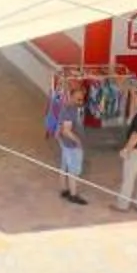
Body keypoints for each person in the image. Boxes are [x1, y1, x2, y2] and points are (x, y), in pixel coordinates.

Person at [45, 77, 89, 205]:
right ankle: (73, 194)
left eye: (82, 98)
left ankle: (64, 189)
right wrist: (78, 141)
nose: (81, 101)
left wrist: (58, 137)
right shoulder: (70, 110)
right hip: (71, 145)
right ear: (71, 96)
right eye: (78, 99)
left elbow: (60, 128)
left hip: (65, 144)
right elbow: (66, 130)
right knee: (74, 171)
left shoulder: (68, 107)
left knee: (64, 168)